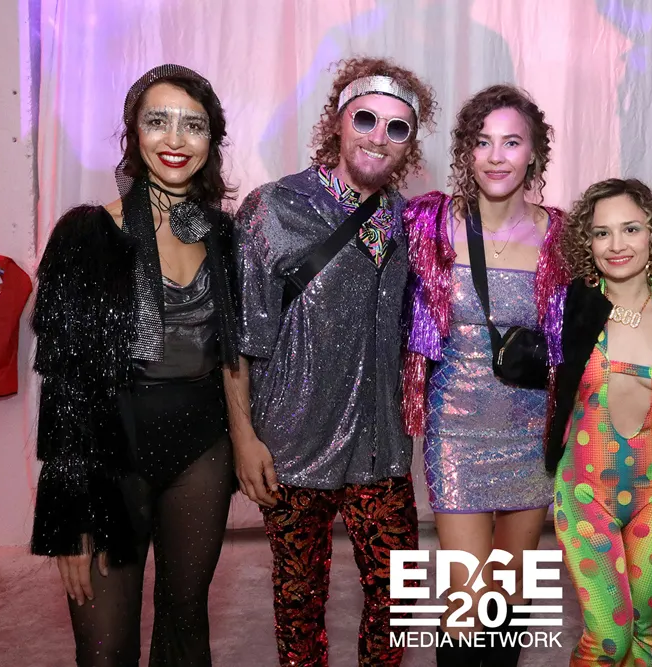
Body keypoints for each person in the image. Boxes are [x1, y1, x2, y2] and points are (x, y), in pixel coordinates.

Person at [226, 57, 437, 667]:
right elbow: (239, 339)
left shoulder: (407, 221)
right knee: (299, 602)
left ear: (408, 144)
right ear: (338, 123)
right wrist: (244, 438)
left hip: (379, 445)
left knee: (398, 595)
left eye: (397, 128)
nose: (378, 137)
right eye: (365, 119)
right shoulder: (274, 208)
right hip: (292, 444)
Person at [31, 64, 240, 666]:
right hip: (109, 457)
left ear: (212, 140)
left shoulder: (224, 235)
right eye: (158, 121)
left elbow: (235, 354)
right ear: (133, 132)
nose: (175, 139)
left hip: (201, 453)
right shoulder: (85, 234)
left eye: (193, 125)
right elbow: (64, 386)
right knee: (104, 649)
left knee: (185, 629)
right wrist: (68, 513)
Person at [401, 84, 568, 666]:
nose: (496, 156)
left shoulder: (561, 236)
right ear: (466, 152)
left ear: (534, 153)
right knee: (466, 602)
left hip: (530, 431)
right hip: (456, 429)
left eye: (512, 142)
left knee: (509, 598)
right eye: (482, 141)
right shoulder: (428, 224)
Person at [545, 178, 652, 666]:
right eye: (601, 233)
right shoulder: (572, 305)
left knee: (649, 633)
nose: (616, 245)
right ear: (586, 242)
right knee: (608, 639)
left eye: (630, 229)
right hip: (585, 494)